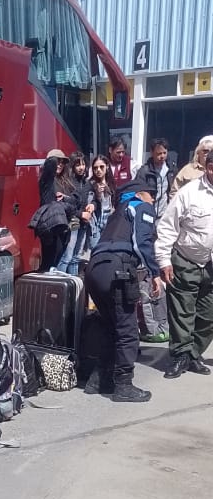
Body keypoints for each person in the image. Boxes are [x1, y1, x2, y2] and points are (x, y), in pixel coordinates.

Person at [84, 171, 162, 403]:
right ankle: (124, 386)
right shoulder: (140, 207)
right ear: (139, 194)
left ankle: (98, 379)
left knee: (111, 326)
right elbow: (142, 242)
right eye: (151, 195)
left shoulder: (116, 212)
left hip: (94, 269)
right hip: (117, 270)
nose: (153, 200)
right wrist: (154, 272)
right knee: (128, 331)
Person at [155, 148, 213, 379]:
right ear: (209, 167)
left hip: (210, 264)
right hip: (185, 260)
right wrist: (164, 260)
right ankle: (180, 356)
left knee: (208, 315)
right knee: (182, 312)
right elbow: (168, 226)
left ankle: (193, 354)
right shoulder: (189, 192)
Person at [136, 139, 174, 343]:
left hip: (164, 215)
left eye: (164, 153)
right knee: (148, 247)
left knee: (162, 248)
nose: (162, 156)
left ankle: (159, 271)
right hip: (150, 215)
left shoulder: (170, 169)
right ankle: (152, 273)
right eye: (158, 153)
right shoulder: (144, 171)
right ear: (152, 153)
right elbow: (139, 192)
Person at [34, 149, 74, 270]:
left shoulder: (66, 182)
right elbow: (49, 167)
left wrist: (65, 199)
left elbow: (75, 201)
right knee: (48, 262)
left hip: (63, 227)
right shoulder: (46, 181)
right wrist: (52, 160)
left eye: (62, 162)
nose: (60, 164)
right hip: (50, 227)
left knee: (57, 260)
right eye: (58, 161)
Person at [56, 152, 95, 275]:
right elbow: (69, 205)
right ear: (73, 166)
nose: (81, 167)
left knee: (77, 257)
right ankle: (59, 282)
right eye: (78, 165)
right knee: (68, 255)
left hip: (84, 223)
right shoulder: (69, 182)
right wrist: (81, 214)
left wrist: (93, 205)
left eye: (83, 164)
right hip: (73, 221)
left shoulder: (87, 183)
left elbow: (94, 198)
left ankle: (73, 284)